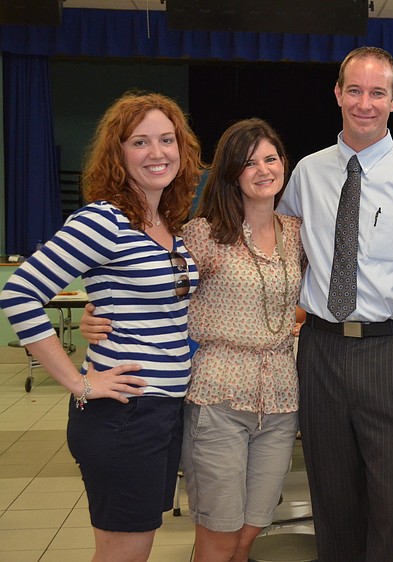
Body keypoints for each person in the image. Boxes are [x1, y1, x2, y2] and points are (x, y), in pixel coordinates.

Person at [80, 118, 304, 561]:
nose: (262, 169)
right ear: (229, 173)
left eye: (270, 158)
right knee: (219, 536)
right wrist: (99, 314)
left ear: (284, 163)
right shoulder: (204, 233)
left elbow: (299, 298)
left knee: (251, 528)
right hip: (217, 398)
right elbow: (156, 290)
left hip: (280, 398)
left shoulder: (296, 232)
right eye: (248, 162)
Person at [0, 91, 202, 561]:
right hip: (124, 413)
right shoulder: (104, 220)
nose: (157, 153)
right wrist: (79, 382)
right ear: (119, 153)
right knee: (123, 554)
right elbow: (19, 293)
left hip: (162, 412)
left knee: (132, 549)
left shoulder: (165, 223)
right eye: (140, 142)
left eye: (167, 140)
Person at [277, 46, 393, 561]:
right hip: (320, 353)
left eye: (377, 92)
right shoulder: (307, 174)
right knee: (333, 507)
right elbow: (277, 255)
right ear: (337, 93)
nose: (364, 103)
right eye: (354, 90)